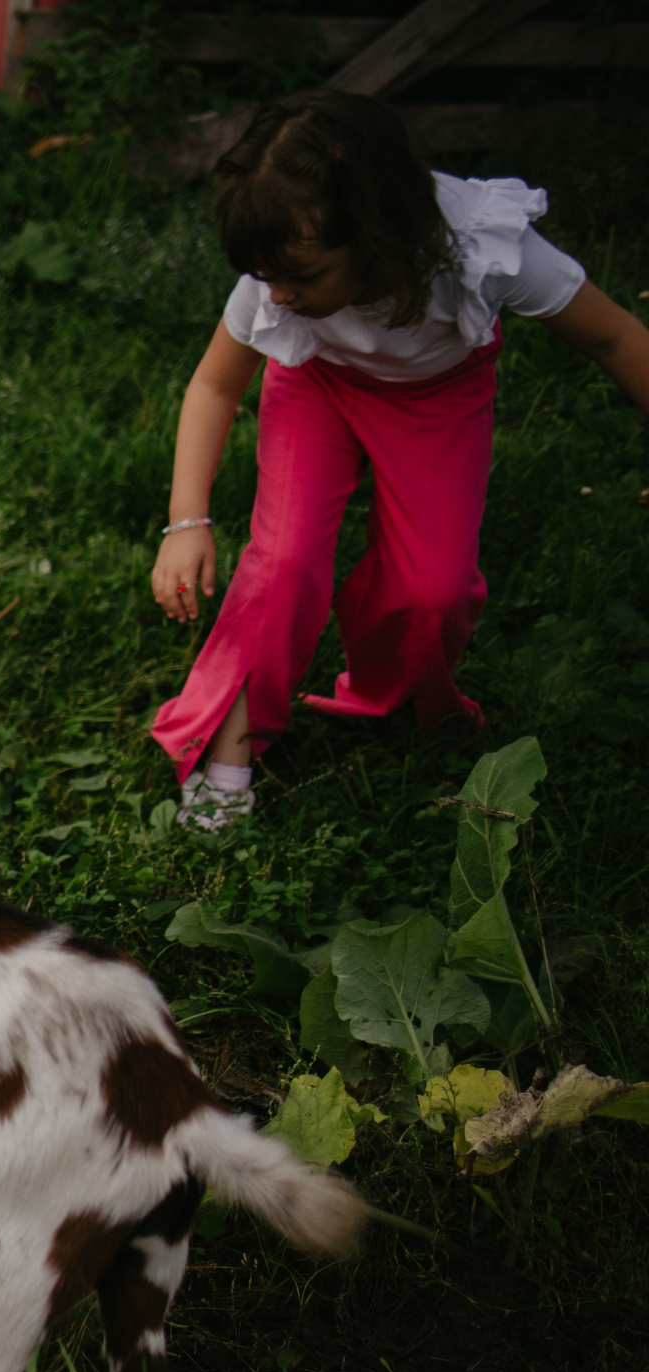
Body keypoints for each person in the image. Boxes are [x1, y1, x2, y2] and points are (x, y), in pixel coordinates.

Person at [147, 90, 649, 830]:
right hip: (317, 382)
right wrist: (184, 520)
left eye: (303, 276)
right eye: (267, 277)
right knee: (282, 563)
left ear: (379, 238)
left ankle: (392, 693)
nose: (278, 294)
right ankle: (227, 751)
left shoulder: (486, 252)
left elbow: (616, 339)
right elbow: (216, 383)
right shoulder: (282, 282)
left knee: (433, 588)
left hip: (437, 401)